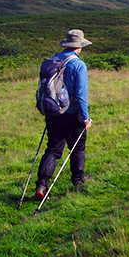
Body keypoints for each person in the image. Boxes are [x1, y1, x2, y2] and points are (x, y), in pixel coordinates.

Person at [35, 29, 93, 200]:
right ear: (79, 47)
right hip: (72, 113)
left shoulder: (51, 60)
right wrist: (85, 117)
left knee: (53, 149)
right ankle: (78, 179)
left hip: (53, 113)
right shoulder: (78, 65)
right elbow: (81, 94)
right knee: (77, 147)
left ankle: (42, 184)